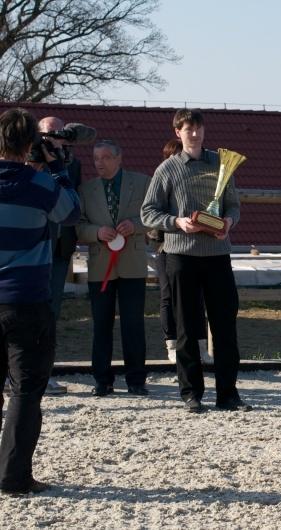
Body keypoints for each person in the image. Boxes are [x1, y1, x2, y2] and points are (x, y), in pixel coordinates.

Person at [141, 109, 248, 414]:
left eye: (199, 127)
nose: (195, 133)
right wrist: (177, 222)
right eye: (188, 128)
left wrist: (228, 222)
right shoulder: (167, 169)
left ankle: (228, 394)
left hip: (217, 255)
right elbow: (148, 212)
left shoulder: (222, 163)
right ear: (178, 132)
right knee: (187, 327)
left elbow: (233, 205)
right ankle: (191, 393)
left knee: (225, 325)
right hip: (181, 256)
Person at [0, 108, 80, 494]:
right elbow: (71, 212)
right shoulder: (39, 184)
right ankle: (13, 476)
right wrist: (58, 167)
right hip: (26, 298)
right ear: (30, 143)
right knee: (26, 391)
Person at [76, 140, 149, 396]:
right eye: (96, 158)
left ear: (119, 158)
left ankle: (136, 380)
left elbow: (154, 216)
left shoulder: (142, 182)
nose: (100, 163)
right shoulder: (86, 190)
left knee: (133, 324)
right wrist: (96, 232)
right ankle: (102, 380)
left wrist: (135, 226)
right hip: (100, 266)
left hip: (133, 264)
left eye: (106, 157)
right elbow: (78, 226)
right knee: (101, 325)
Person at [151, 139, 210, 364]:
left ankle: (201, 346)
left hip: (195, 247)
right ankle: (172, 344)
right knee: (168, 295)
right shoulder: (161, 180)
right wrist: (174, 222)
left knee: (198, 297)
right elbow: (152, 218)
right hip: (166, 247)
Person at [39, 116, 83, 395]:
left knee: (51, 313)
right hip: (31, 246)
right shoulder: (27, 159)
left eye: (59, 133)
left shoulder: (72, 163)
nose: (54, 138)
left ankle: (45, 372)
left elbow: (73, 201)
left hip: (59, 249)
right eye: (49, 133)